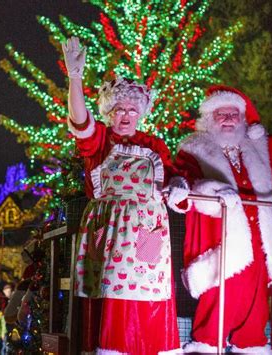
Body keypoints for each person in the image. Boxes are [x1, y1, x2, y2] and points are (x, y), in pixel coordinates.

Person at [172, 78, 272, 353]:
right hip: (222, 246)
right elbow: (183, 181)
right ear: (209, 119)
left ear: (243, 119)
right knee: (216, 310)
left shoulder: (259, 149)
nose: (228, 120)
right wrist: (210, 189)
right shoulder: (195, 149)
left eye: (234, 114)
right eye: (221, 114)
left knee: (256, 315)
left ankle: (252, 346)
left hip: (261, 248)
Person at [62, 37, 185, 354]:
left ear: (141, 112)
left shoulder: (155, 145)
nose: (126, 115)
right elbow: (79, 120)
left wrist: (180, 187)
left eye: (132, 109)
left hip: (148, 232)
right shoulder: (101, 141)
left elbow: (171, 180)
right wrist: (75, 78)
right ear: (109, 112)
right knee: (111, 304)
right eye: (119, 109)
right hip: (110, 234)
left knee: (147, 302)